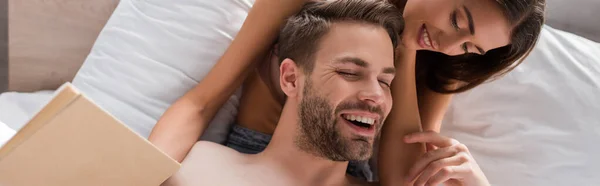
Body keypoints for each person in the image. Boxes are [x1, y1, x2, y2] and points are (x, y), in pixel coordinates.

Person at [149, 0, 546, 184]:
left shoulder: (438, 61)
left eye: (470, 47)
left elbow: (402, 179)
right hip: (260, 161)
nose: (449, 42)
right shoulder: (315, 7)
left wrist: (406, 45)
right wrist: (139, 173)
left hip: (352, 171)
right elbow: (202, 102)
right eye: (459, 19)